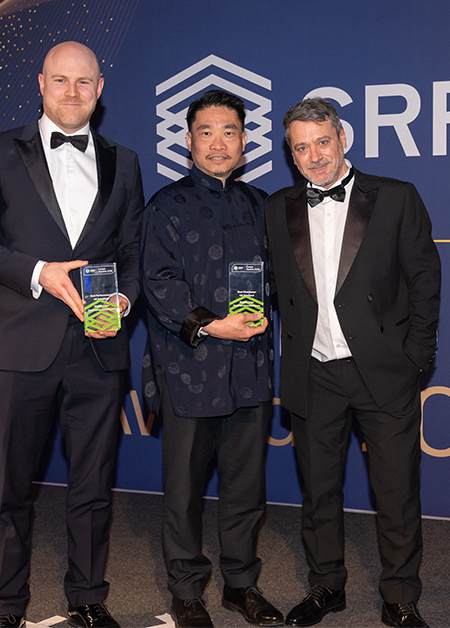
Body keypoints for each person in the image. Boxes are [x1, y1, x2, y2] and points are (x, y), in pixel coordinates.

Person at [0, 41, 144, 628]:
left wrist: (124, 296)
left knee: (93, 487)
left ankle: (87, 597)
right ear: (41, 83)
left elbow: (134, 251)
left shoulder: (125, 161)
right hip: (21, 346)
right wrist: (39, 272)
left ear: (100, 89)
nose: (72, 91)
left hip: (99, 348)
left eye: (84, 82)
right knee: (11, 489)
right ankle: (8, 607)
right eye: (61, 80)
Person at [264, 98, 441, 628]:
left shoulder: (396, 196)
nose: (315, 156)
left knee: (396, 492)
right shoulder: (277, 207)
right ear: (291, 154)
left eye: (323, 141)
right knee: (318, 492)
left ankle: (400, 597)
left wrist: (416, 357)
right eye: (301, 148)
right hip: (313, 371)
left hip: (383, 370)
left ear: (344, 138)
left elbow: (425, 280)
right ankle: (326, 587)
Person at [140, 89, 283, 628]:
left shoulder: (261, 205)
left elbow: (280, 280)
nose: (218, 143)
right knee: (184, 492)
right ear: (189, 141)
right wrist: (212, 323)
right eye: (206, 132)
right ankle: (186, 592)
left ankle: (242, 586)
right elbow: (158, 281)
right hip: (189, 367)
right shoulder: (166, 206)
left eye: (229, 132)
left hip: (249, 369)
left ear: (245, 142)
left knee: (246, 489)